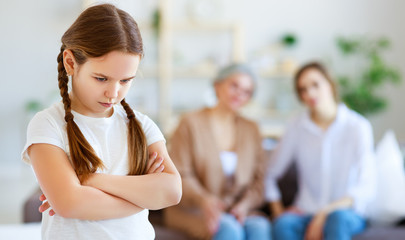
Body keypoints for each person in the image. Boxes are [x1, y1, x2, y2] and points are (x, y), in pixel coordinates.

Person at [21, 4, 182, 240]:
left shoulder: (142, 125)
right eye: (101, 78)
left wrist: (90, 179)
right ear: (70, 63)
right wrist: (142, 199)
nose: (113, 93)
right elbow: (71, 204)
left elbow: (171, 192)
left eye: (126, 80)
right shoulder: (48, 125)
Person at [265, 62, 376, 240]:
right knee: (283, 225)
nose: (310, 93)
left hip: (346, 213)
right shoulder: (296, 126)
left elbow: (366, 186)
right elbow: (270, 174)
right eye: (303, 89)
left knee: (336, 219)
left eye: (315, 85)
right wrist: (279, 212)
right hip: (306, 212)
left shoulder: (358, 126)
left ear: (330, 84)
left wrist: (324, 213)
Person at [164, 64, 272, 240]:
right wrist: (204, 200)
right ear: (217, 85)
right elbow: (179, 174)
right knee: (229, 229)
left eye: (247, 92)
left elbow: (259, 180)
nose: (239, 94)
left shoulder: (251, 129)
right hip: (194, 208)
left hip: (237, 208)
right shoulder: (190, 123)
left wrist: (244, 206)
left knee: (259, 227)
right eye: (234, 86)